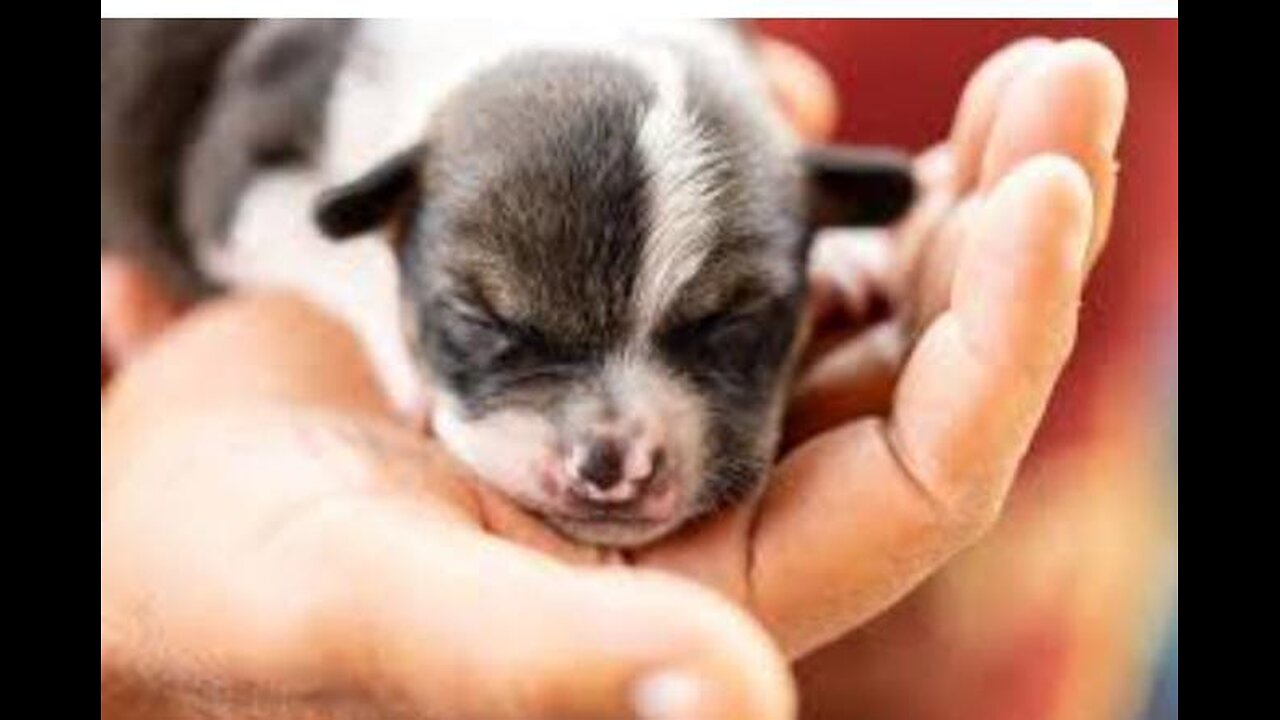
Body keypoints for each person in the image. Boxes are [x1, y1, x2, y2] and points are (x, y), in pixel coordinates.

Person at [101, 33, 1126, 720]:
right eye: (500, 333)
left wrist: (799, 245)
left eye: (723, 330)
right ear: (389, 209)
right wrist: (377, 330)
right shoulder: (343, 99)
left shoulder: (728, 82)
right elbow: (240, 207)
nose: (614, 456)